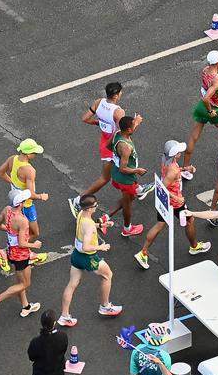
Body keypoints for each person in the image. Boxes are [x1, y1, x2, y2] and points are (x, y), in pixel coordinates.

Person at [134, 140, 210, 269]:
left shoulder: (166, 160)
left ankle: (143, 252)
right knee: (190, 220)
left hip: (165, 202)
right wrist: (176, 198)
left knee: (159, 225)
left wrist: (184, 169)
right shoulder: (173, 170)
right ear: (175, 154)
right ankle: (195, 247)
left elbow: (171, 174)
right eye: (179, 152)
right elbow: (162, 188)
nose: (180, 153)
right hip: (175, 203)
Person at [58, 193, 122, 326]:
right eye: (95, 205)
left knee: (72, 284)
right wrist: (101, 247)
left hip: (76, 255)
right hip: (89, 257)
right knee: (108, 275)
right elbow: (86, 246)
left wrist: (102, 225)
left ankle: (64, 315)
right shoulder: (89, 225)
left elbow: (89, 227)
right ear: (89, 208)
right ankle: (105, 306)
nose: (97, 207)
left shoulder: (81, 214)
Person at [69, 82, 131, 215]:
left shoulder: (98, 102)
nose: (121, 94)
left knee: (123, 167)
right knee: (105, 178)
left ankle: (136, 189)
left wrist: (99, 123)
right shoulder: (118, 112)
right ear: (116, 95)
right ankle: (78, 200)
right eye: (120, 92)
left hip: (104, 142)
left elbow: (85, 118)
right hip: (112, 146)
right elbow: (121, 132)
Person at [0, 189, 41, 318]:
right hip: (21, 255)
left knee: (20, 281)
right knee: (25, 283)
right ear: (20, 203)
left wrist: (11, 232)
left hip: (11, 252)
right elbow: (22, 243)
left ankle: (25, 307)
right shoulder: (22, 220)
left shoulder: (7, 210)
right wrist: (34, 245)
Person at [183, 50, 218, 173]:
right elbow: (207, 97)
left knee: (193, 137)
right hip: (213, 107)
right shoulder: (217, 80)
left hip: (201, 108)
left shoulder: (205, 70)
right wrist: (211, 111)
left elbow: (212, 84)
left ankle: (185, 167)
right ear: (217, 63)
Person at [0, 138, 48, 249]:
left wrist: (13, 182)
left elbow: (0, 172)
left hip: (15, 199)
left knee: (20, 229)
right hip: (26, 205)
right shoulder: (29, 170)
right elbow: (30, 194)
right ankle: (13, 250)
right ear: (28, 154)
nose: (35, 155)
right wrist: (41, 196)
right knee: (35, 233)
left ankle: (15, 248)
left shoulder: (12, 159)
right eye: (35, 153)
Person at [108, 115, 148, 236]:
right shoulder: (126, 147)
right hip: (125, 179)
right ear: (129, 129)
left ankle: (105, 217)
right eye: (133, 126)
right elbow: (123, 168)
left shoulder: (118, 133)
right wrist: (137, 170)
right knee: (128, 204)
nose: (135, 127)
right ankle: (127, 229)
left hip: (116, 173)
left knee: (129, 198)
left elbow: (108, 146)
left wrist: (136, 122)